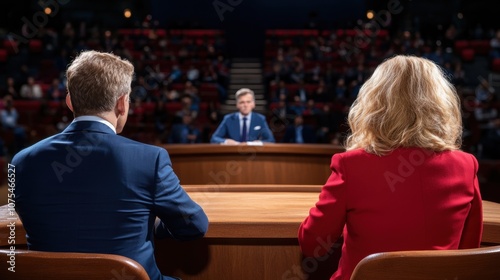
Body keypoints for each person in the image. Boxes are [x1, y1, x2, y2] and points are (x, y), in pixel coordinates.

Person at [11, 50, 209, 280]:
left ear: (69, 101)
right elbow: (195, 225)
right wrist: (154, 225)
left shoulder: (20, 162)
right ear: (122, 103)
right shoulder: (150, 159)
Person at [298, 55, 483, 280]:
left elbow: (312, 244)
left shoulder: (351, 165)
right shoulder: (466, 165)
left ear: (375, 105)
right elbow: (468, 252)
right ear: (440, 104)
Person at [210, 88, 275, 144]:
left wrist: (259, 143)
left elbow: (271, 140)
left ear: (253, 104)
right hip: (234, 154)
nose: (245, 105)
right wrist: (226, 141)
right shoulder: (228, 119)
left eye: (248, 102)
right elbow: (214, 138)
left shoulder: (260, 119)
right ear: (237, 105)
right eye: (242, 102)